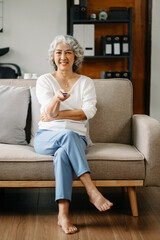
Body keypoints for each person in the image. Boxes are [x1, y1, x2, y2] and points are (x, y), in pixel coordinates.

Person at [34, 35, 113, 234]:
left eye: (68, 52)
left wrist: (57, 114)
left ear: (75, 56)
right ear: (53, 56)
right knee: (66, 136)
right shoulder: (44, 80)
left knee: (63, 153)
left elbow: (88, 112)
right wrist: (56, 98)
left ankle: (63, 215)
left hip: (77, 137)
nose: (63, 56)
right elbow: (47, 112)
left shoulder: (85, 82)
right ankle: (91, 190)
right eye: (59, 52)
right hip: (46, 136)